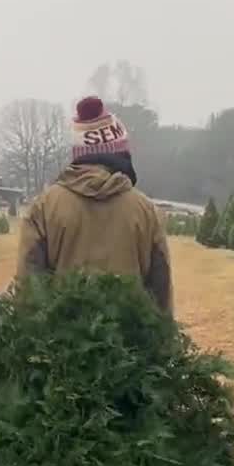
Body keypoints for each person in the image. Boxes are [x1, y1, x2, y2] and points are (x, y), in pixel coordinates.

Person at [16, 96, 173, 315]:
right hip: (133, 343)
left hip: (58, 342)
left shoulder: (43, 207)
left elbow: (29, 286)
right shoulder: (146, 210)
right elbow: (160, 289)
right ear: (119, 153)